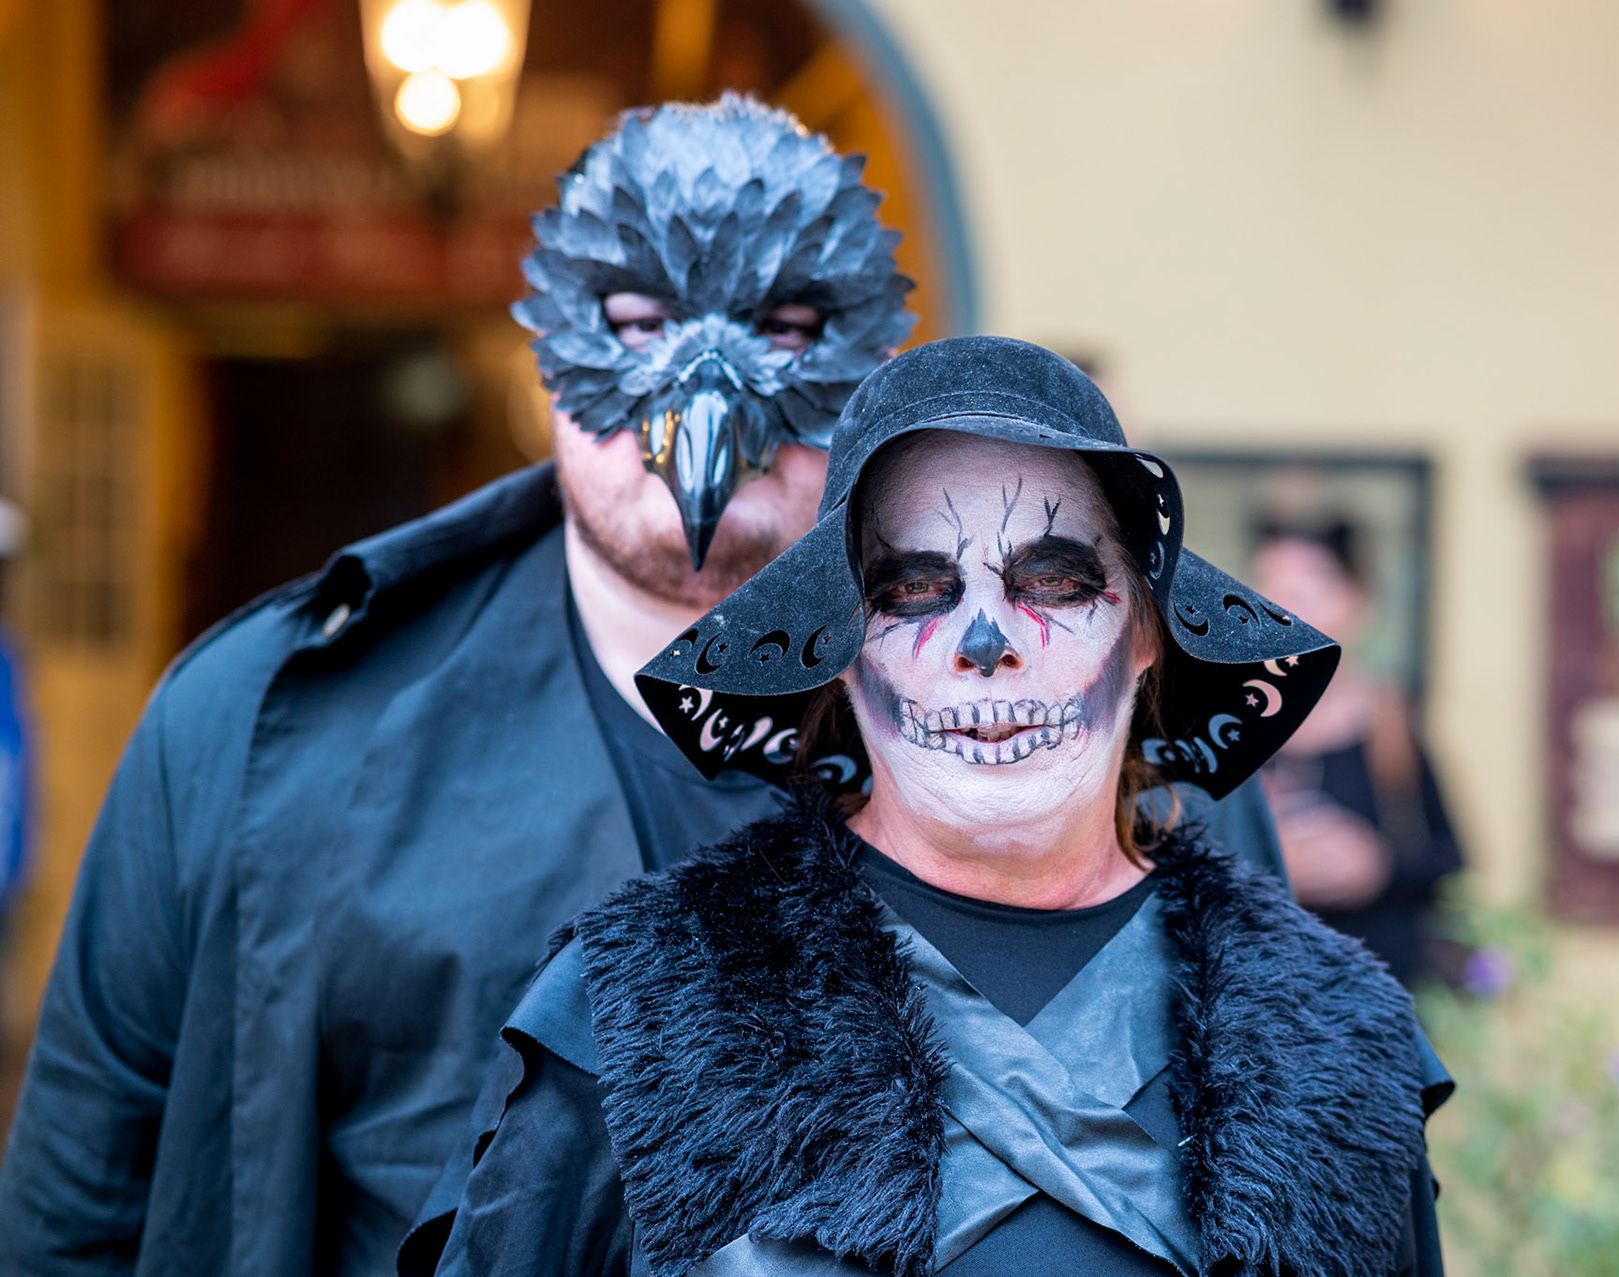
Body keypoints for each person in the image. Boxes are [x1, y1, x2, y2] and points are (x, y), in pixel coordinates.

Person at [0, 100, 1285, 1277]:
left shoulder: (1120, 747)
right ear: (552, 341)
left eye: (788, 328)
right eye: (634, 323)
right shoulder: (258, 729)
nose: (704, 405)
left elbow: (1295, 1170)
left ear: (868, 352)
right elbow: (78, 1214)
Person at [417, 337, 1451, 1277]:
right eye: (913, 590)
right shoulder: (640, 1003)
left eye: (1054, 579)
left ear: (1145, 631)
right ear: (838, 652)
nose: (986, 642)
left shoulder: (1339, 1042)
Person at [1250, 518, 1463, 986]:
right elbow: (1164, 863)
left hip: (1375, 993)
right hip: (1259, 995)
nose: (1275, 613)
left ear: (1354, 602)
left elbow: (1451, 863)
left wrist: (1379, 867)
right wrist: (1268, 865)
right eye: (1262, 592)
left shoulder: (1391, 729)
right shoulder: (1223, 730)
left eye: (1299, 594)